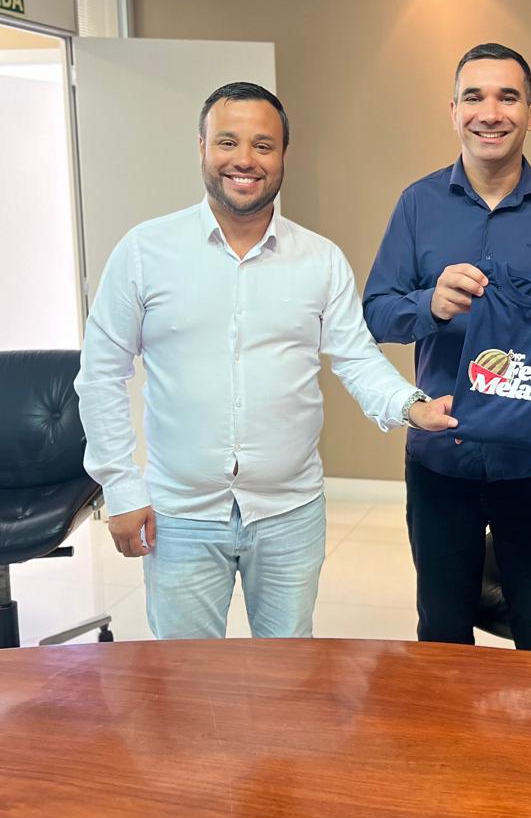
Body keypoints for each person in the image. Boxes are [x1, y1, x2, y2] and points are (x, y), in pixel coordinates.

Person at [76, 81, 456, 640]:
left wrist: (411, 405)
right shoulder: (144, 251)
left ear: (283, 156)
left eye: (263, 145)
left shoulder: (320, 259)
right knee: (186, 678)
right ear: (202, 147)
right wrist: (121, 487)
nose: (245, 160)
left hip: (288, 513)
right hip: (180, 513)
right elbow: (100, 375)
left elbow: (356, 356)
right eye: (227, 142)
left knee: (287, 677)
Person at [363, 43, 531, 653]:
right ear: (453, 111)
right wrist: (432, 304)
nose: (490, 112)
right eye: (474, 97)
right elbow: (376, 312)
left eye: (508, 97)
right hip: (441, 458)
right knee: (442, 634)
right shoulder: (417, 205)